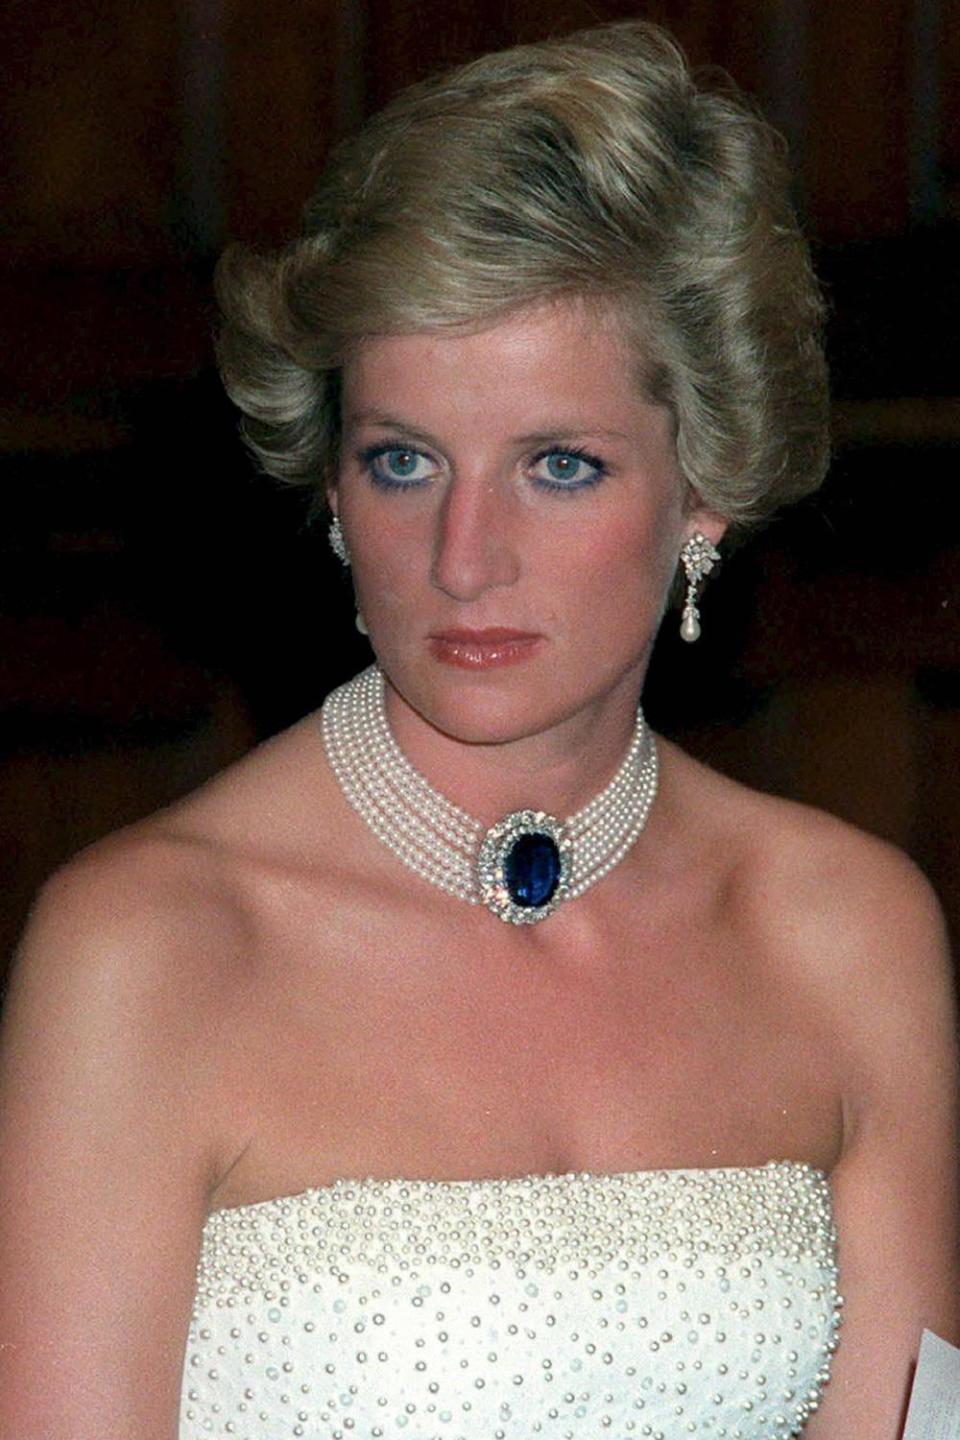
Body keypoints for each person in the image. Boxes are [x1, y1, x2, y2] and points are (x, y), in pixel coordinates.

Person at [0, 20, 956, 1440]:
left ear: (707, 488)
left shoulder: (845, 931)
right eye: (403, 462)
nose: (462, 557)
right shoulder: (151, 949)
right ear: (332, 491)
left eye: (557, 466)